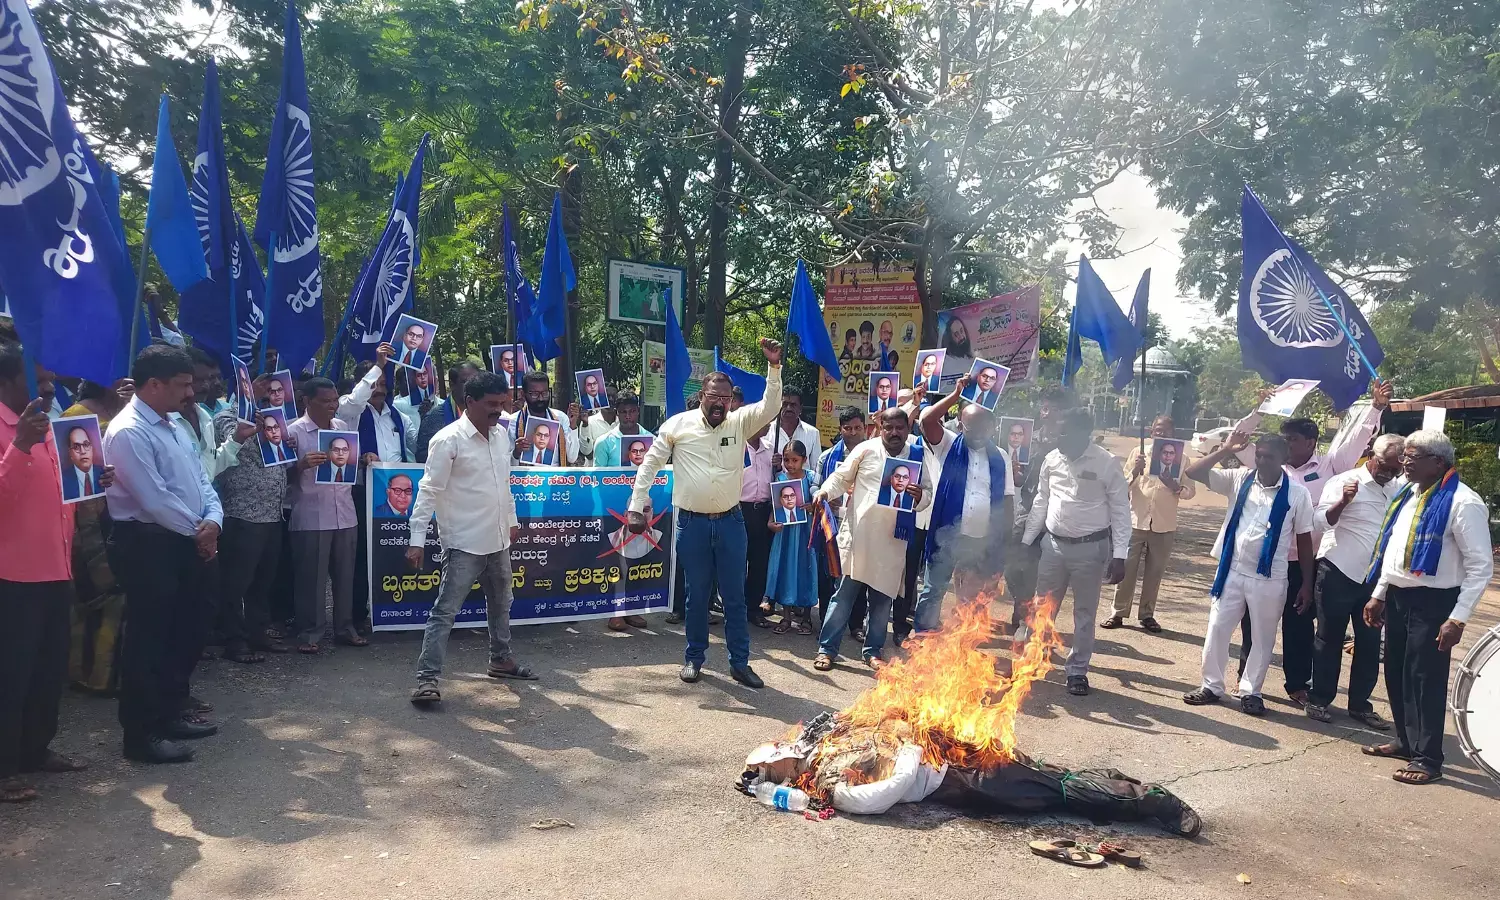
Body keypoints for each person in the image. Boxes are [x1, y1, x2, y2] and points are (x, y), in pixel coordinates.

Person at [628, 339, 783, 688]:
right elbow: (650, 465)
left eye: (726, 399)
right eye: (715, 397)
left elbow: (771, 405)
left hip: (731, 523)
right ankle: (694, 658)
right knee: (696, 596)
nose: (720, 404)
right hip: (692, 525)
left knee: (734, 597)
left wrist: (774, 368)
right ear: (702, 395)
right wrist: (636, 506)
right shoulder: (677, 425)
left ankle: (739, 663)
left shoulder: (739, 423)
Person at [1229, 379, 1391, 707]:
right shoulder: (1268, 464)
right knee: (1254, 622)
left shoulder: (1332, 467)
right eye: (1284, 439)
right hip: (1264, 560)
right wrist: (1259, 411)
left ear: (1311, 442)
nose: (1286, 446)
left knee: (1300, 625)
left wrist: (1375, 407)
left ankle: (1297, 683)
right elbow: (1236, 441)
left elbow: (1358, 439)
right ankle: (1245, 675)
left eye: (1293, 440)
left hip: (1307, 564)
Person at [102, 345, 224, 764]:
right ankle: (141, 734)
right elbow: (153, 499)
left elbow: (201, 482)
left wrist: (214, 521)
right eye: (183, 384)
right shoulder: (128, 431)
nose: (191, 393)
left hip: (187, 541)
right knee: (149, 640)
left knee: (187, 630)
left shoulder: (174, 424)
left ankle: (171, 711)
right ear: (154, 385)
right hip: (149, 544)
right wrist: (200, 532)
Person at [1362, 430, 1493, 784]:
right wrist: (1379, 593)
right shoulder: (1409, 494)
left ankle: (1428, 759)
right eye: (1403, 455)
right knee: (1397, 672)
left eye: (1412, 456)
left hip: (1436, 602)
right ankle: (1406, 742)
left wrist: (1458, 618)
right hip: (1401, 597)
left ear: (1438, 462)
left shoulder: (1463, 503)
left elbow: (1481, 566)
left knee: (1425, 679)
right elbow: (1393, 552)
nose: (1404, 461)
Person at [1, 344, 98, 801]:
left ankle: (35, 749)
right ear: (7, 381)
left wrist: (95, 479)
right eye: (37, 380)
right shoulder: (17, 431)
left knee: (46, 668)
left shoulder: (46, 427)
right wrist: (18, 445)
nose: (48, 387)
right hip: (12, 576)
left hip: (56, 567)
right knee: (10, 674)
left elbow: (57, 492)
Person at [407, 373, 536, 704]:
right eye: (491, 404)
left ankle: (500, 659)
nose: (499, 410)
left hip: (498, 538)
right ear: (470, 403)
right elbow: (428, 490)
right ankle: (427, 679)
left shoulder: (501, 437)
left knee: (501, 602)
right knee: (446, 610)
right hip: (463, 541)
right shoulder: (447, 440)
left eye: (502, 403)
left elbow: (503, 485)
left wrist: (511, 521)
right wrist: (416, 538)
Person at [1182, 433, 1315, 717]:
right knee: (1217, 628)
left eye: (1270, 457)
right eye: (1260, 455)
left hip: (1270, 578)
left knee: (1262, 638)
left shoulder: (1297, 493)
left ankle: (1250, 691)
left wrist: (1306, 583)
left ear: (1284, 460)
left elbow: (1304, 540)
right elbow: (1193, 471)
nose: (1263, 461)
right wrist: (1227, 449)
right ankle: (1211, 685)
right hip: (1231, 571)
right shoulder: (1240, 479)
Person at [811, 407, 933, 670]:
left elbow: (928, 494)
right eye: (888, 427)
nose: (894, 432)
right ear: (880, 427)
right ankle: (827, 649)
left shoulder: (916, 456)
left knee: (881, 603)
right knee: (843, 597)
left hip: (893, 542)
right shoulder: (865, 449)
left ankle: (873, 651)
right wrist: (824, 493)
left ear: (906, 428)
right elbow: (841, 478)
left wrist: (918, 496)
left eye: (899, 427)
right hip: (860, 538)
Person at [1021, 407, 1130, 696]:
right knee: (1042, 607)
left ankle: (1077, 671)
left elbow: (1121, 510)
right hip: (1053, 546)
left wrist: (1120, 555)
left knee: (1084, 613)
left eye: (1065, 432)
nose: (1058, 436)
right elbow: (1042, 501)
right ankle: (1035, 659)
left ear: (1084, 434)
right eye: (1058, 430)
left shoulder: (1106, 463)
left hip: (1090, 550)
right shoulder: (1051, 459)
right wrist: (1027, 540)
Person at [1303, 434, 1405, 729]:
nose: (1389, 473)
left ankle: (1360, 705)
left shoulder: (1399, 489)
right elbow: (1319, 521)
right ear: (1372, 454)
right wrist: (1343, 501)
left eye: (1396, 468)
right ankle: (1319, 700)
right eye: (1385, 465)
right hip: (1338, 572)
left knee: (1370, 643)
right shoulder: (1345, 481)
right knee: (1328, 639)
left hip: (1375, 582)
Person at [912, 374, 1014, 633]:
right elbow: (926, 420)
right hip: (947, 536)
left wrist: (1003, 542)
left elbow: (1008, 501)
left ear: (992, 428)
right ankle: (924, 636)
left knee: (972, 597)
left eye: (983, 430)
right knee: (934, 589)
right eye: (970, 429)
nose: (977, 435)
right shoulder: (948, 444)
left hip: (981, 540)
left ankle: (962, 643)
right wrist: (956, 394)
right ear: (960, 426)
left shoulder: (1001, 457)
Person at [213, 380, 293, 663]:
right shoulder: (226, 416)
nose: (270, 394)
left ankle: (258, 633)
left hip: (273, 513)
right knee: (237, 582)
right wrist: (248, 411)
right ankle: (235, 640)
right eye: (263, 388)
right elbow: (229, 437)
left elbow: (282, 460)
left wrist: (289, 445)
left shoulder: (278, 418)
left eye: (275, 389)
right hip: (243, 512)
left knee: (263, 581)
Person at [285, 378, 363, 653]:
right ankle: (310, 633)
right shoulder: (293, 432)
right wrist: (301, 465)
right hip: (311, 515)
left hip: (345, 514)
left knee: (345, 576)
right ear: (308, 401)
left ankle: (345, 628)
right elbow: (278, 477)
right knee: (311, 578)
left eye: (335, 400)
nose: (333, 406)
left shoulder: (343, 429)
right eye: (326, 401)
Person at [1105, 416, 1196, 632]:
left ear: (1173, 432)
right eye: (1157, 430)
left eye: (1165, 430)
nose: (1160, 434)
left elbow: (1190, 492)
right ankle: (1118, 613)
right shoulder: (1138, 452)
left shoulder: (1182, 459)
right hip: (1136, 521)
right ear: (1151, 431)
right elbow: (1121, 486)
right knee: (1126, 569)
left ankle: (1147, 615)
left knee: (1155, 572)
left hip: (1164, 525)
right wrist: (1136, 470)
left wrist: (1176, 487)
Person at [817, 408, 867, 625]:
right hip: (833, 525)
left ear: (865, 429)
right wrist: (826, 496)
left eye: (857, 428)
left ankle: (856, 625)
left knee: (858, 576)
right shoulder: (827, 457)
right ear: (840, 430)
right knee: (829, 576)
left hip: (862, 525)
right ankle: (825, 623)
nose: (853, 433)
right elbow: (814, 485)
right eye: (848, 428)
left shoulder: (874, 456)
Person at [766, 442, 818, 635]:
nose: (790, 464)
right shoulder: (780, 478)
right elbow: (775, 506)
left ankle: (806, 618)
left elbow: (820, 502)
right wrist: (771, 523)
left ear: (804, 460)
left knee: (806, 570)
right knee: (785, 570)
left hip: (806, 533)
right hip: (786, 535)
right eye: (787, 460)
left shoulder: (812, 479)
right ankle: (786, 616)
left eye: (795, 460)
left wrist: (813, 507)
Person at [174, 348, 247, 479]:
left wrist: (238, 437)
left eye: (207, 379)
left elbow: (210, 467)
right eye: (197, 380)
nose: (205, 386)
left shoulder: (204, 417)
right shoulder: (166, 422)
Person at [742, 421, 776, 629]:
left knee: (759, 563)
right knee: (736, 564)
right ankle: (734, 609)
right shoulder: (736, 447)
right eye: (763, 423)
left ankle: (753, 609)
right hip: (739, 508)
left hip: (763, 510)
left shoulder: (771, 450)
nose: (766, 427)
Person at [509, 370, 581, 465]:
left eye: (545, 393)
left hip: (555, 478)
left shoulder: (560, 418)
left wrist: (573, 426)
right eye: (535, 394)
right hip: (526, 478)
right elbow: (505, 463)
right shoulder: (513, 421)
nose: (541, 399)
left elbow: (572, 458)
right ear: (523, 394)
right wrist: (516, 452)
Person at [416, 361, 480, 462]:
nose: (473, 387)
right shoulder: (434, 418)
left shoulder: (485, 415)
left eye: (476, 382)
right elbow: (423, 457)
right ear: (452, 384)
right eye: (466, 382)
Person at [765, 387, 823, 473]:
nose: (788, 408)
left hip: (804, 485)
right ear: (778, 406)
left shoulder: (812, 433)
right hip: (772, 484)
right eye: (785, 404)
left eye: (793, 405)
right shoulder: (766, 432)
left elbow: (816, 468)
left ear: (800, 408)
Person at [594, 392, 652, 466]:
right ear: (616, 412)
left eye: (632, 411)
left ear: (638, 411)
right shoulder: (603, 443)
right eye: (623, 412)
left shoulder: (653, 441)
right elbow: (598, 476)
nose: (628, 416)